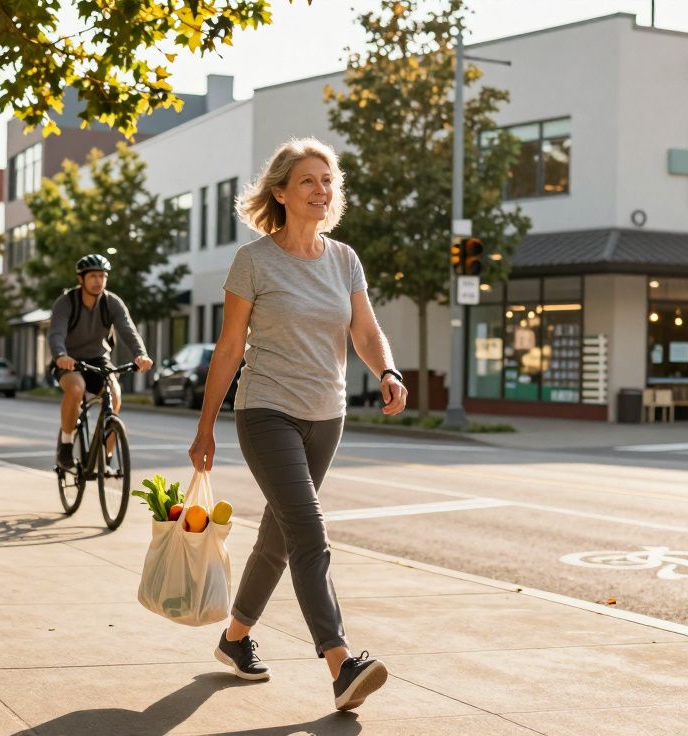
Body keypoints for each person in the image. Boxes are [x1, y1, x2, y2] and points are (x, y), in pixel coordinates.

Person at [188, 138, 409, 711]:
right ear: (281, 193)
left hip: (326, 415)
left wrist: (386, 369)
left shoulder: (344, 259)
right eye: (308, 180)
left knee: (280, 537)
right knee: (309, 533)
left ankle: (235, 638)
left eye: (328, 180)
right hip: (266, 411)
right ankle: (341, 664)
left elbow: (365, 330)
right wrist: (206, 426)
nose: (321, 189)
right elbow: (229, 347)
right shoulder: (254, 261)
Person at [48, 254, 153, 470]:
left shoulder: (111, 302)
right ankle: (66, 446)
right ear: (81, 279)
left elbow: (128, 330)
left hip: (98, 359)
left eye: (102, 276)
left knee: (115, 394)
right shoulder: (66, 302)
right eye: (93, 276)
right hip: (69, 360)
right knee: (76, 389)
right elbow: (56, 333)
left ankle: (106, 458)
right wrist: (60, 355)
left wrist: (141, 354)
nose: (98, 281)